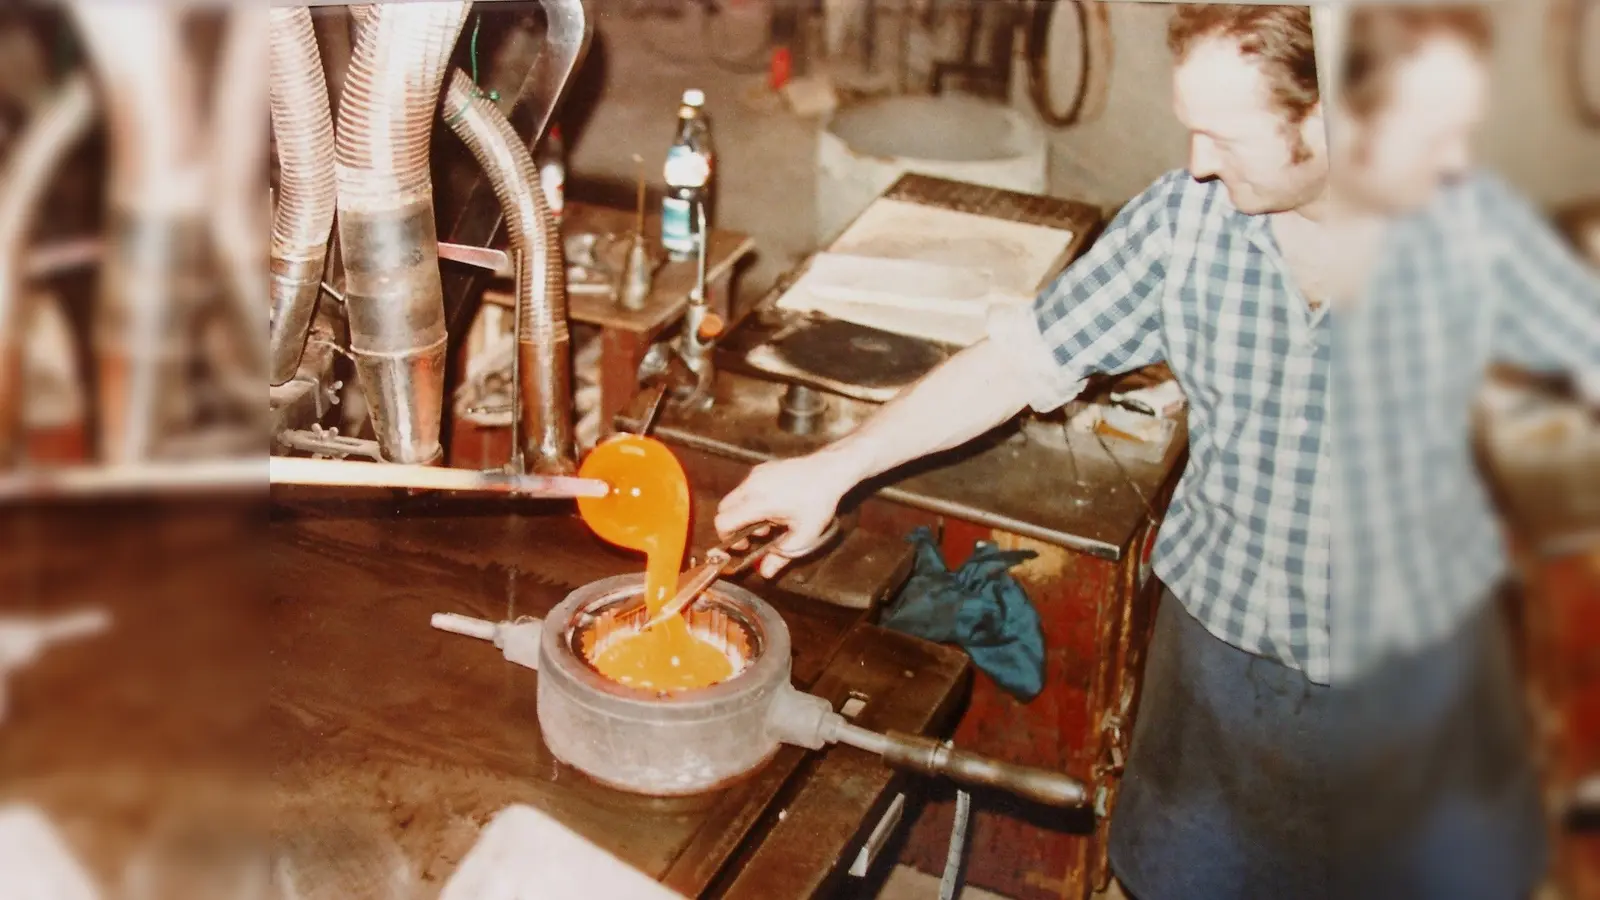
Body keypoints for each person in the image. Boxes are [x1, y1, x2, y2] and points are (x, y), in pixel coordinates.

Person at [715, 3, 1596, 898]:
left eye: (1224, 136)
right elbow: (1018, 362)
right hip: (1218, 662)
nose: (1197, 162)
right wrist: (833, 468)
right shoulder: (1186, 221)